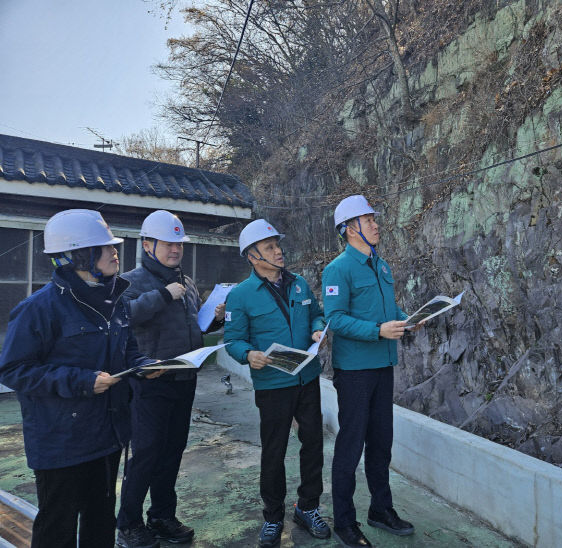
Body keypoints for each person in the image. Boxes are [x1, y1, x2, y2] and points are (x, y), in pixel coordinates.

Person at [0, 209, 157, 548]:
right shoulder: (38, 308)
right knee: (57, 526)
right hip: (61, 441)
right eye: (105, 247)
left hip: (108, 434)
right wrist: (82, 380)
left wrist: (144, 364)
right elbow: (13, 369)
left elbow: (127, 350)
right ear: (78, 256)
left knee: (101, 519)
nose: (115, 252)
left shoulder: (115, 301)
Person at [116, 210, 224, 548]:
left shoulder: (186, 282)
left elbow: (194, 327)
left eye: (178, 243)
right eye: (168, 243)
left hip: (183, 380)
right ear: (148, 245)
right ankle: (129, 523)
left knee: (172, 451)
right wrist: (164, 294)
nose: (175, 249)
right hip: (150, 382)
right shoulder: (131, 281)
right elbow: (125, 317)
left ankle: (162, 516)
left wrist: (213, 320)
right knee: (146, 453)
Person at [322, 195, 422, 547]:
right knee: (350, 447)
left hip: (383, 366)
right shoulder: (337, 269)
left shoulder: (381, 265)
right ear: (349, 229)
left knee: (381, 444)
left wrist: (409, 319)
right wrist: (377, 330)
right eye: (367, 220)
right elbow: (335, 318)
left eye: (374, 219)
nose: (376, 224)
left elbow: (389, 306)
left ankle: (381, 510)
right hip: (355, 372)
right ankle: (344, 522)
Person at [224, 219, 330, 548]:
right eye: (269, 247)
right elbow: (232, 340)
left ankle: (308, 507)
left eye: (277, 244)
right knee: (274, 450)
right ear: (252, 256)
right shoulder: (241, 296)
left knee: (313, 443)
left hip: (306, 377)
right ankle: (272, 516)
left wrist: (317, 328)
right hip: (272, 383)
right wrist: (248, 354)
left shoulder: (299, 284)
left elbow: (317, 314)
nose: (278, 250)